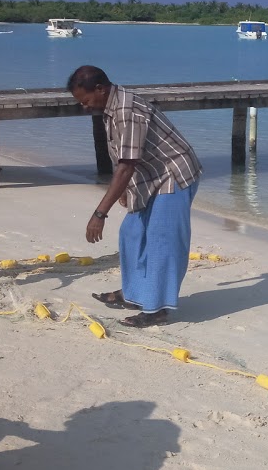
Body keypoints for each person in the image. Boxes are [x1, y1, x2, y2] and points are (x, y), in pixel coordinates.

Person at [68, 64, 202, 328]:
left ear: (100, 88)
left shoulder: (127, 110)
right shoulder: (110, 107)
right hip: (149, 175)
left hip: (173, 174)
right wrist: (128, 190)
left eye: (86, 100)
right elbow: (124, 158)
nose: (84, 106)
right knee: (131, 233)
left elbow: (126, 164)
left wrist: (99, 214)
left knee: (162, 241)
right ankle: (134, 294)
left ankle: (156, 309)